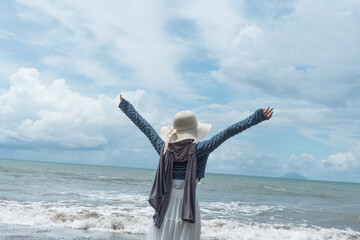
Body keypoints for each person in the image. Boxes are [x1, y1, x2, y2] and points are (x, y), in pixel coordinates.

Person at [118, 94, 273, 240]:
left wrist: (125, 106)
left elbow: (145, 127)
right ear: (193, 131)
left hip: (165, 204)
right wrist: (257, 117)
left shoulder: (163, 148)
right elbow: (228, 132)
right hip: (188, 206)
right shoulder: (200, 150)